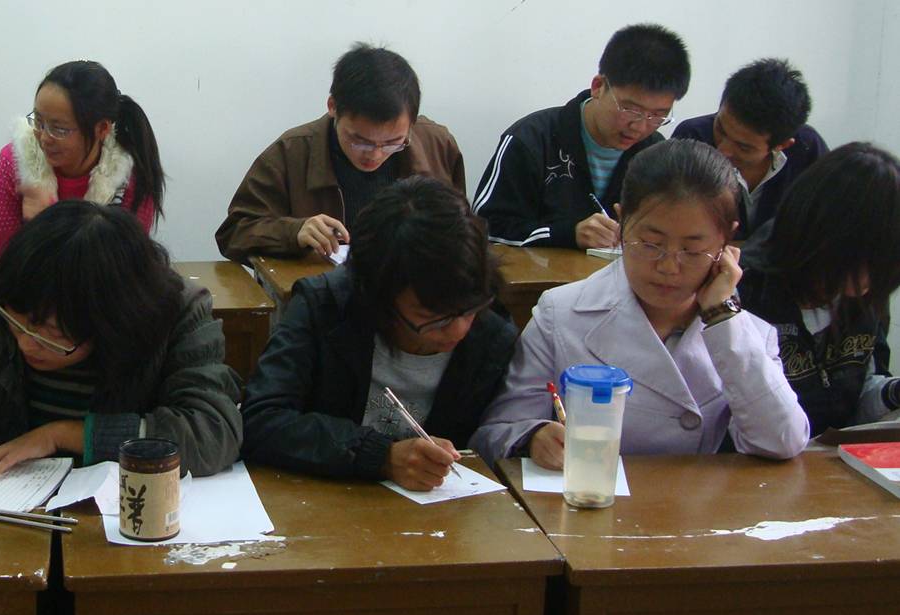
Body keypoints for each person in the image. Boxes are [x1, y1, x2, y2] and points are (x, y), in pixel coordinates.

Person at [471, 139, 808, 467]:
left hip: (692, 513)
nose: (668, 266)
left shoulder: (743, 330)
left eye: (692, 250)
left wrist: (721, 313)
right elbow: (496, 433)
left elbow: (782, 441)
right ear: (621, 221)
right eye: (649, 243)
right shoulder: (561, 312)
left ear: (726, 239)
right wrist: (534, 436)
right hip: (589, 505)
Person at [0, 201, 241, 479]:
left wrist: (62, 435)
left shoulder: (176, 314)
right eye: (18, 326)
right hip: (11, 508)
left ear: (110, 325)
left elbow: (213, 432)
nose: (28, 345)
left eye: (55, 338)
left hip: (122, 515)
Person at [240, 177, 516, 490]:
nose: (459, 329)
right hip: (326, 503)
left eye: (469, 310)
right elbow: (261, 420)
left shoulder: (491, 334)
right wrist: (380, 456)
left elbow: (497, 435)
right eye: (433, 319)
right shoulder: (325, 308)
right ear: (378, 296)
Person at [217, 43, 466, 263]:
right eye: (360, 141)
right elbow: (234, 232)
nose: (375, 155)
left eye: (393, 143)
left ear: (411, 122)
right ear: (332, 106)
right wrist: (294, 232)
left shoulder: (437, 145)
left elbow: (463, 230)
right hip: (323, 300)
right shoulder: (291, 152)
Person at [475, 24, 690, 249]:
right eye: (630, 110)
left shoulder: (656, 153)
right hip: (539, 283)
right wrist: (568, 234)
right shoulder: (532, 140)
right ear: (598, 86)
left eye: (658, 116)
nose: (640, 126)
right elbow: (484, 230)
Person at [739, 143, 900, 434]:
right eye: (868, 257)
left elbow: (855, 401)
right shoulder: (746, 288)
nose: (873, 277)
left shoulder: (862, 294)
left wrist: (893, 392)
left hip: (826, 467)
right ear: (823, 233)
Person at [0, 61, 164, 259]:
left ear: (102, 129)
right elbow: (7, 267)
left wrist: (45, 223)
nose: (44, 137)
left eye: (59, 129)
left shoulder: (129, 174)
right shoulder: (15, 161)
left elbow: (123, 271)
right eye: (38, 121)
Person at [672, 58, 829, 240]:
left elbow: (824, 229)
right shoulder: (692, 138)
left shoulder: (808, 149)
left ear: (782, 145)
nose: (723, 150)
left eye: (743, 146)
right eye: (721, 129)